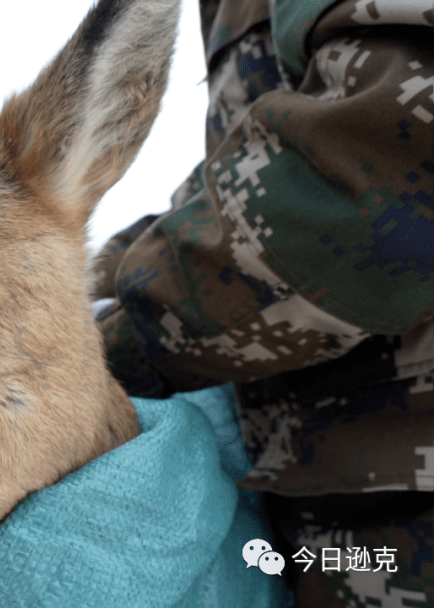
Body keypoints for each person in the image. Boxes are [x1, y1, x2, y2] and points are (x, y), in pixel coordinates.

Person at [92, 0, 433, 605]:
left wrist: (94, 347)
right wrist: (61, 278)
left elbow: (384, 178)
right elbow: (245, 177)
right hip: (319, 513)